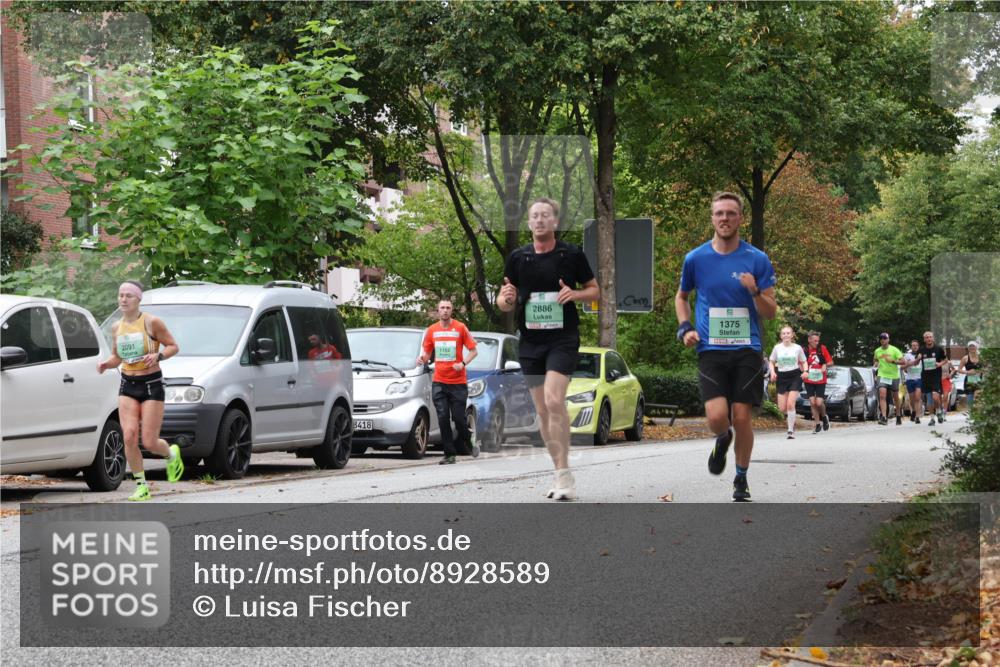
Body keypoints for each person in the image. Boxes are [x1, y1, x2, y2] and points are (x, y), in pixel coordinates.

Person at [675, 192, 777, 502]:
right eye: (719, 213)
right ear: (712, 218)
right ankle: (722, 438)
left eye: (731, 213)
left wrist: (755, 290)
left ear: (740, 219)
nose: (724, 218)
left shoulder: (756, 259)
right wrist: (685, 328)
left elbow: (770, 310)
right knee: (717, 416)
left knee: (742, 415)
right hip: (711, 349)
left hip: (747, 348)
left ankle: (741, 478)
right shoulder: (696, 259)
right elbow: (682, 297)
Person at [497, 197, 599, 500]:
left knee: (555, 401)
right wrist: (508, 299)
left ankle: (565, 473)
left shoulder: (571, 255)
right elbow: (503, 301)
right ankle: (559, 472)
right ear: (529, 223)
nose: (540, 220)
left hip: (562, 338)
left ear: (555, 222)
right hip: (530, 342)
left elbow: (596, 291)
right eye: (535, 216)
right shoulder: (518, 258)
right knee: (542, 410)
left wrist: (576, 294)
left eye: (545, 216)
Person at [97, 281, 183, 501]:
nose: (123, 299)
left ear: (138, 299)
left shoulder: (152, 322)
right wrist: (107, 364)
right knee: (129, 435)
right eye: (121, 295)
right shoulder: (117, 327)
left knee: (150, 441)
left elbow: (173, 346)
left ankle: (171, 454)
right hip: (128, 383)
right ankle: (141, 486)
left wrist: (158, 356)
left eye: (129, 296)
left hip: (151, 384)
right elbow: (118, 357)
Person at [416, 299, 479, 465]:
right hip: (439, 382)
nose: (445, 310)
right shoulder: (432, 330)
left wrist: (463, 363)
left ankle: (470, 440)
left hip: (458, 382)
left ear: (452, 311)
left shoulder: (460, 328)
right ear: (438, 311)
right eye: (442, 308)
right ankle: (449, 454)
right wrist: (421, 359)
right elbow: (427, 354)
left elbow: (474, 351)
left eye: (448, 308)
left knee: (459, 419)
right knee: (443, 417)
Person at [769, 325, 807, 439]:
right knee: (782, 408)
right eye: (784, 333)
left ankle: (790, 430)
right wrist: (772, 373)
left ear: (792, 335)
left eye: (788, 333)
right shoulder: (777, 348)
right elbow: (771, 362)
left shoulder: (797, 348)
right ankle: (792, 417)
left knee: (791, 404)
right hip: (781, 376)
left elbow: (804, 361)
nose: (786, 335)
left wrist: (806, 371)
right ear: (781, 336)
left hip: (795, 375)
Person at [802, 331, 834, 434]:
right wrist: (803, 371)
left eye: (818, 341)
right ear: (809, 340)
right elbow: (800, 363)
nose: (817, 342)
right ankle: (817, 424)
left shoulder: (822, 348)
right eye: (815, 341)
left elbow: (831, 362)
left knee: (819, 403)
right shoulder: (805, 350)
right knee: (812, 402)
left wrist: (825, 365)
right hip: (809, 379)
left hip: (820, 379)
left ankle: (824, 417)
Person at [917, 330, 948, 425]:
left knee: (935, 397)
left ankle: (938, 411)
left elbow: (945, 360)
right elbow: (916, 362)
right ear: (924, 339)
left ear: (933, 338)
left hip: (936, 377)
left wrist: (939, 364)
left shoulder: (939, 349)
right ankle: (932, 418)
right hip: (926, 377)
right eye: (927, 337)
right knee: (929, 399)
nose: (929, 339)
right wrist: (918, 358)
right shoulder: (921, 350)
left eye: (930, 337)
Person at [873, 332, 904, 426]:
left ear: (888, 340)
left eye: (885, 338)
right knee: (882, 395)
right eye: (881, 338)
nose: (883, 340)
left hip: (894, 376)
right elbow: (875, 360)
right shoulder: (877, 351)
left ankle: (898, 414)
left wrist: (893, 361)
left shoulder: (894, 350)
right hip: (882, 375)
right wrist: (876, 364)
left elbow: (903, 361)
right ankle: (884, 417)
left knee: (895, 397)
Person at [903, 339, 924, 423]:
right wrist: (909, 364)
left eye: (916, 345)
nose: (915, 347)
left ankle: (917, 417)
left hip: (919, 378)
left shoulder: (922, 355)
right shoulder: (907, 356)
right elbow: (904, 368)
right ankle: (913, 412)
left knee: (917, 398)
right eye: (913, 345)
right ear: (911, 347)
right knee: (911, 399)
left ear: (918, 346)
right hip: (909, 379)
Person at [959, 341, 983, 414]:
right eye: (970, 346)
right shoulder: (965, 358)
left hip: (979, 381)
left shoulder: (981, 357)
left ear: (976, 347)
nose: (972, 348)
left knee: (977, 398)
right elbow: (959, 369)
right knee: (970, 400)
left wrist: (979, 371)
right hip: (969, 381)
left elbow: (987, 368)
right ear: (968, 348)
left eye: (973, 346)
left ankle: (977, 415)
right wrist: (967, 372)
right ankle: (972, 414)